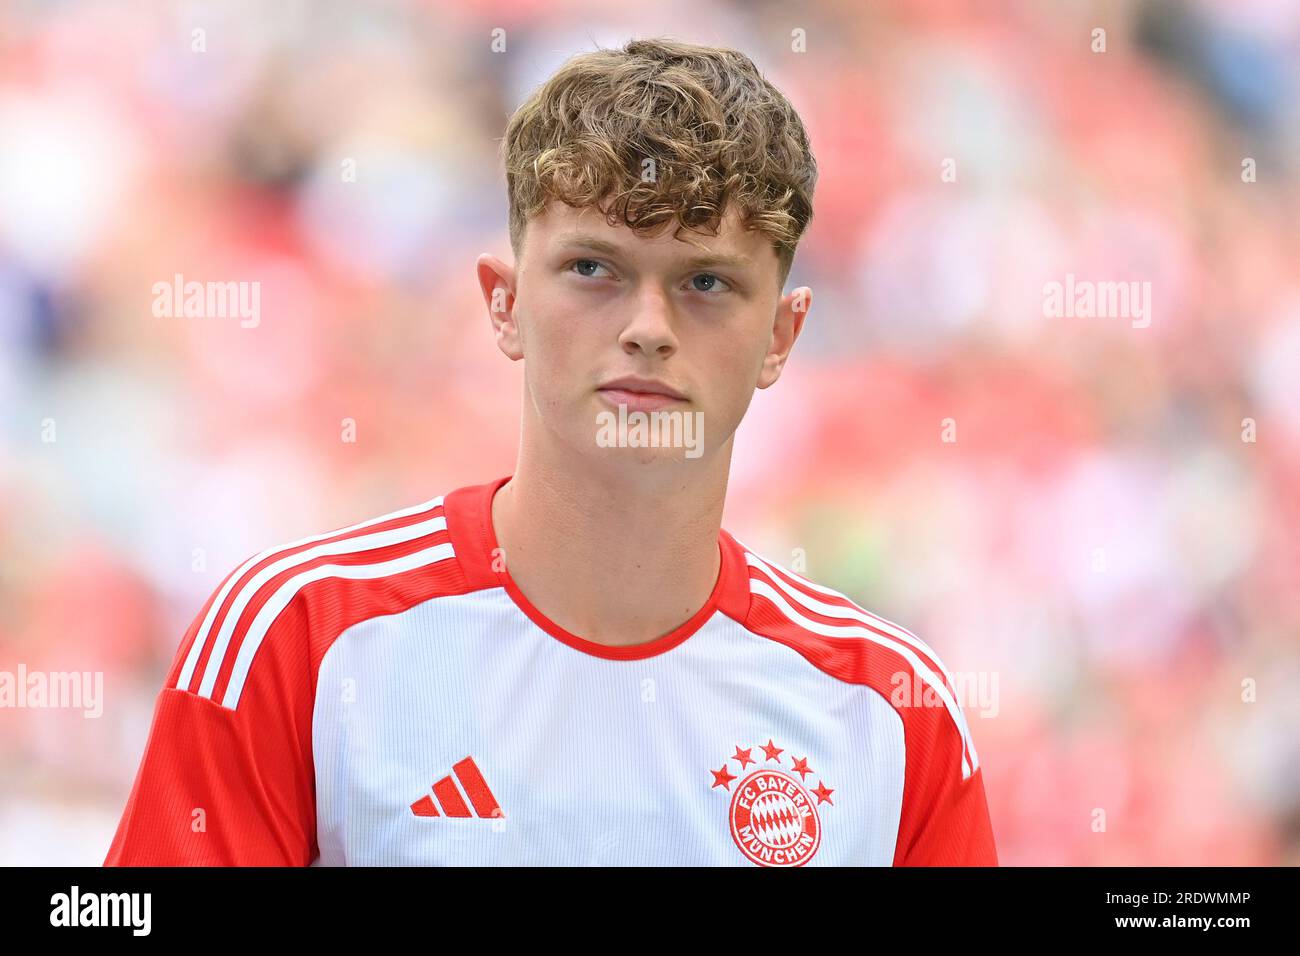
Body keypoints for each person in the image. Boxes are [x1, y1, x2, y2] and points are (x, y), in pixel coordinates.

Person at [105, 36, 996, 867]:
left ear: (782, 334)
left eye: (707, 282)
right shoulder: (295, 641)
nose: (648, 328)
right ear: (502, 302)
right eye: (593, 270)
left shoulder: (888, 714)